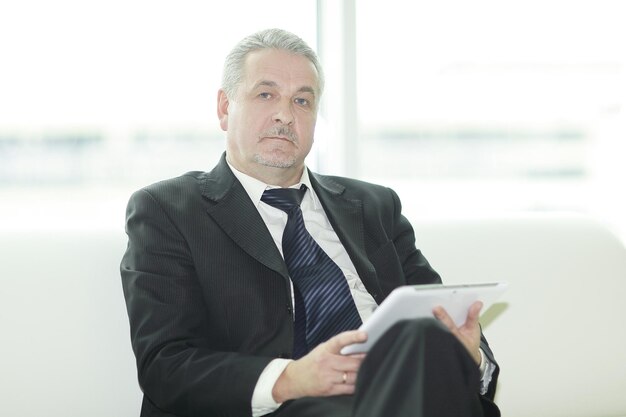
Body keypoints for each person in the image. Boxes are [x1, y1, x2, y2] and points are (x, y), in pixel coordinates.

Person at [121, 28, 500, 417]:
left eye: (302, 100)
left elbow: (434, 310)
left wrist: (470, 358)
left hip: (408, 393)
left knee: (427, 335)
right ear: (224, 107)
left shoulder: (374, 206)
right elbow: (165, 365)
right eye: (265, 94)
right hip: (285, 407)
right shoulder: (168, 209)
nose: (285, 114)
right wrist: (294, 378)